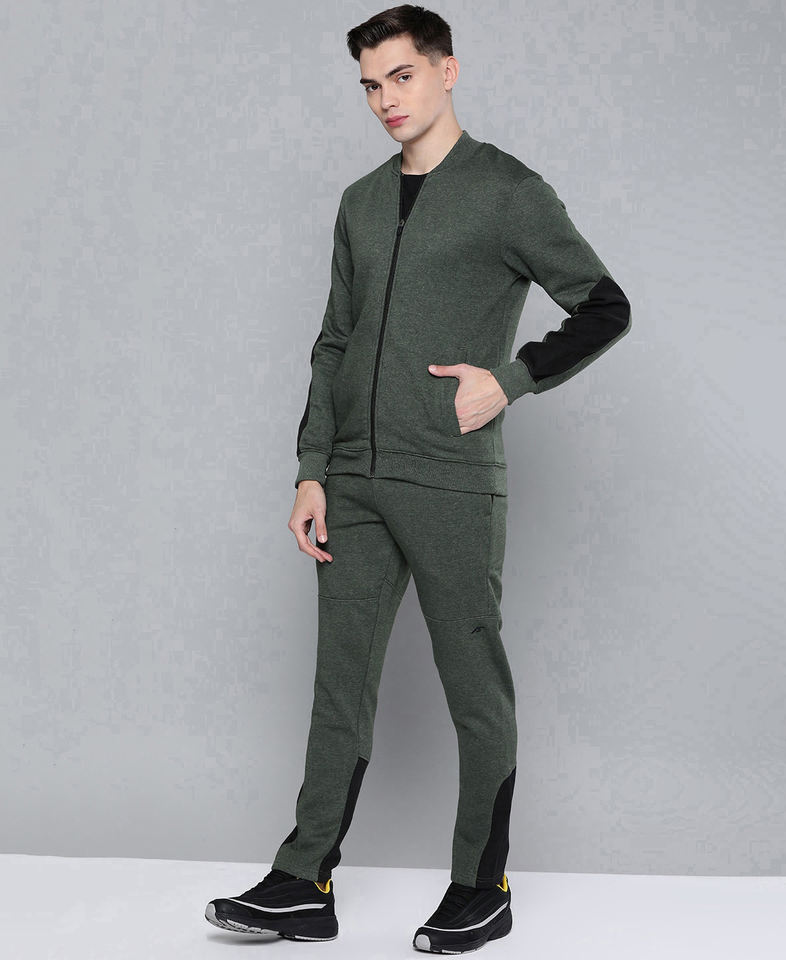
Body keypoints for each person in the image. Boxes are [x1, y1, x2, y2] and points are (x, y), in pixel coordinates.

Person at [205, 4, 631, 953]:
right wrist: (312, 468)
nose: (385, 100)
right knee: (339, 685)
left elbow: (606, 307)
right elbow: (334, 341)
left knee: (473, 684)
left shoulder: (508, 191)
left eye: (401, 76)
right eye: (370, 85)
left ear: (447, 70)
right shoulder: (359, 202)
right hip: (351, 482)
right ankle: (302, 880)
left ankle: (482, 886)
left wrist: (511, 380)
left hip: (448, 478)